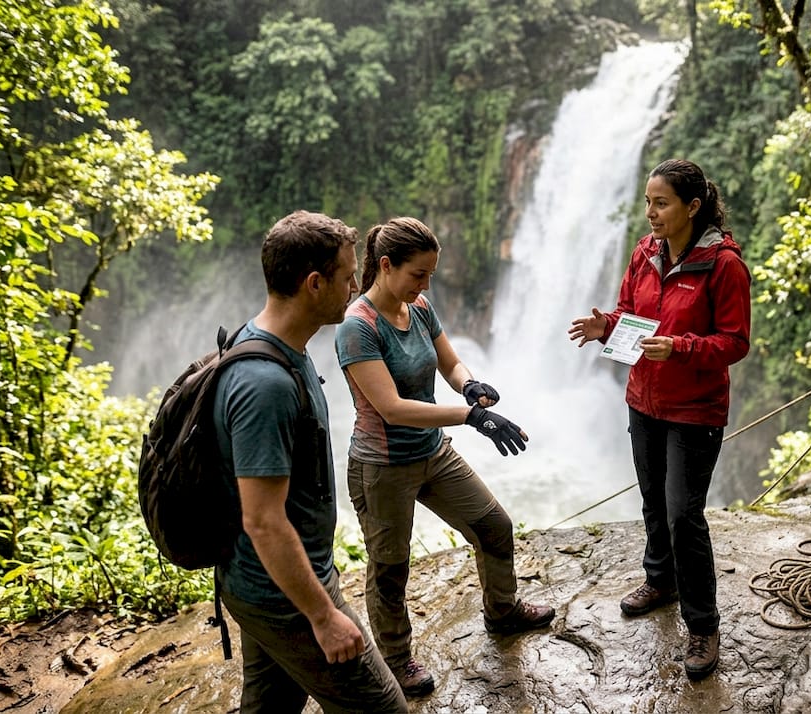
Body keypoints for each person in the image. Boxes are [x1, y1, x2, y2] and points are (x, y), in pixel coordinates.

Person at [334, 216, 556, 698]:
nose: (426, 284)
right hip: (382, 466)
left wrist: (469, 385)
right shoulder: (357, 327)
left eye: (431, 274)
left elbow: (450, 361)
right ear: (386, 266)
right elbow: (392, 408)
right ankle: (396, 660)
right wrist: (471, 417)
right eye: (419, 274)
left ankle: (502, 611)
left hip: (432, 452)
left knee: (493, 526)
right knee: (390, 568)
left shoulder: (418, 306)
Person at [213, 210, 407, 713]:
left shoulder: (273, 345)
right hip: (283, 596)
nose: (356, 289)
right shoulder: (266, 384)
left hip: (266, 583)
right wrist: (323, 615)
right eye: (348, 277)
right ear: (314, 283)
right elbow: (263, 520)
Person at [567, 159, 751, 680]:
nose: (651, 212)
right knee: (652, 499)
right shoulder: (646, 252)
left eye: (661, 203)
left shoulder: (723, 265)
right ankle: (660, 580)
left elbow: (735, 342)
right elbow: (631, 315)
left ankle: (703, 625)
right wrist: (606, 326)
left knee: (683, 515)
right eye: (648, 202)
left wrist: (681, 347)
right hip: (643, 401)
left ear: (693, 207)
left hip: (695, 410)